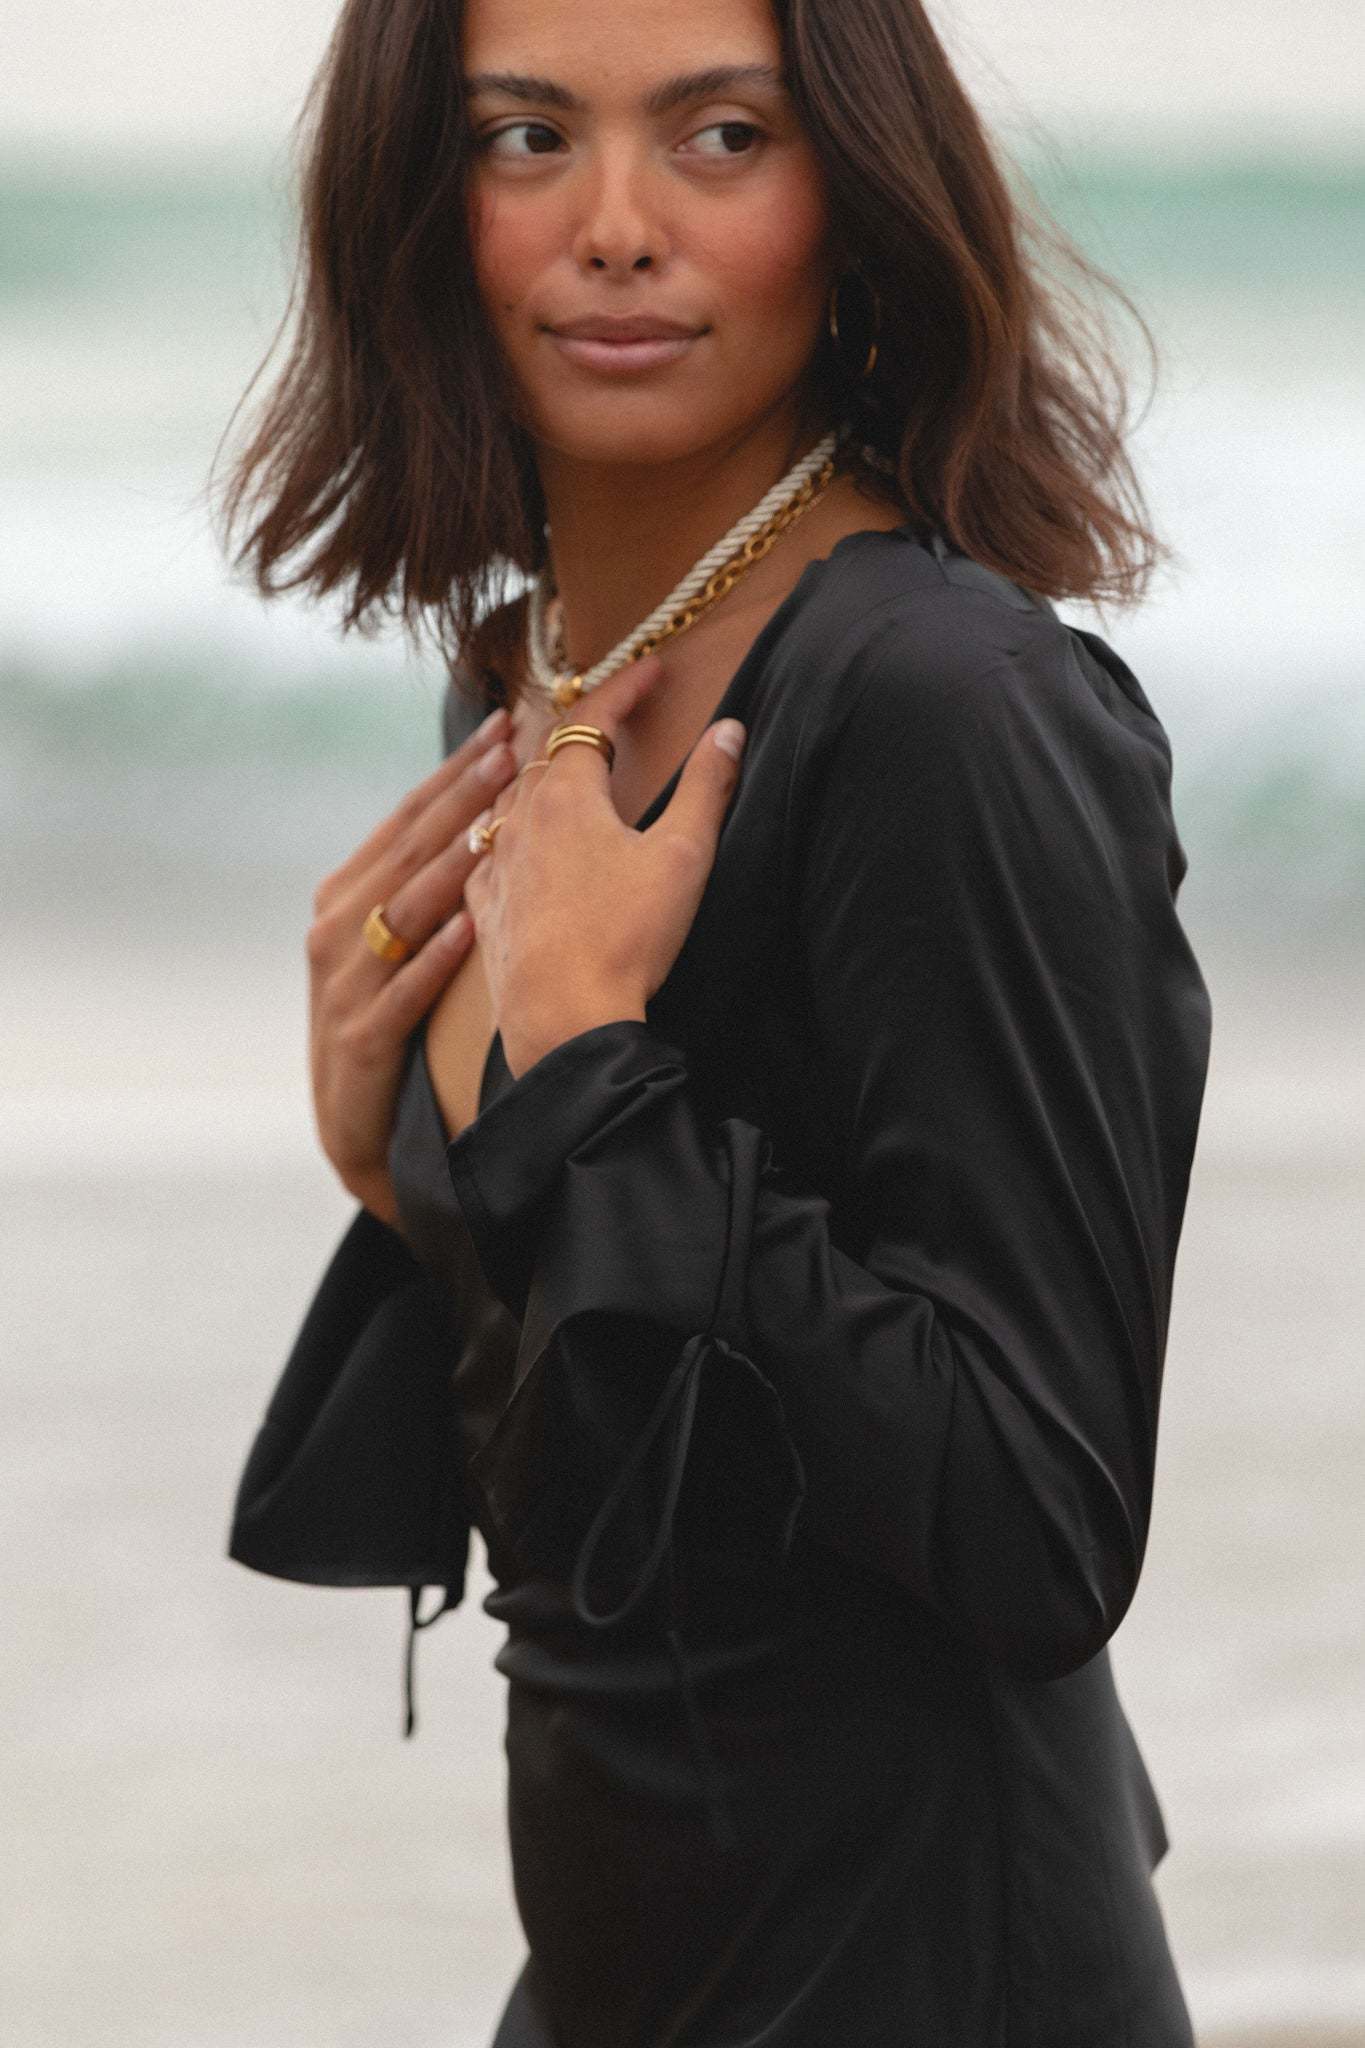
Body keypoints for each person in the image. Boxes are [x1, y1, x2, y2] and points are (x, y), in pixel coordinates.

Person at [218, 0, 1212, 2040]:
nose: (614, 224)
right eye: (522, 138)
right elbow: (634, 1460)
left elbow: (1035, 1522)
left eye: (720, 137)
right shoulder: (535, 678)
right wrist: (405, 1176)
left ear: (853, 194)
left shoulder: (945, 709)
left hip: (927, 1971)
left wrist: (586, 1079)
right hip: (627, 1960)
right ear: (416, 203)